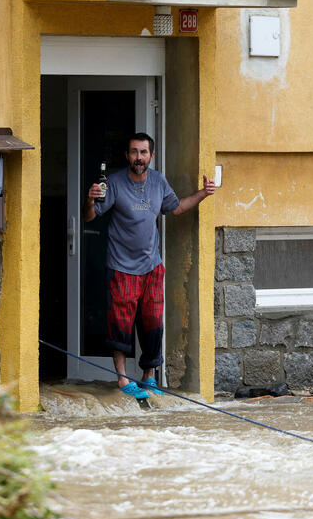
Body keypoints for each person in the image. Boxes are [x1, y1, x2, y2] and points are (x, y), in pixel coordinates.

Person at [83, 132, 216, 400]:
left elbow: (176, 209)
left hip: (152, 267)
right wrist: (89, 199)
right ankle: (122, 379)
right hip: (121, 267)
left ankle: (149, 377)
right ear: (127, 156)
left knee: (153, 323)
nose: (139, 157)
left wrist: (203, 193)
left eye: (144, 152)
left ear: (151, 156)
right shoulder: (115, 183)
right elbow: (90, 217)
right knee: (120, 324)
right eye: (134, 152)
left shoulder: (158, 181)